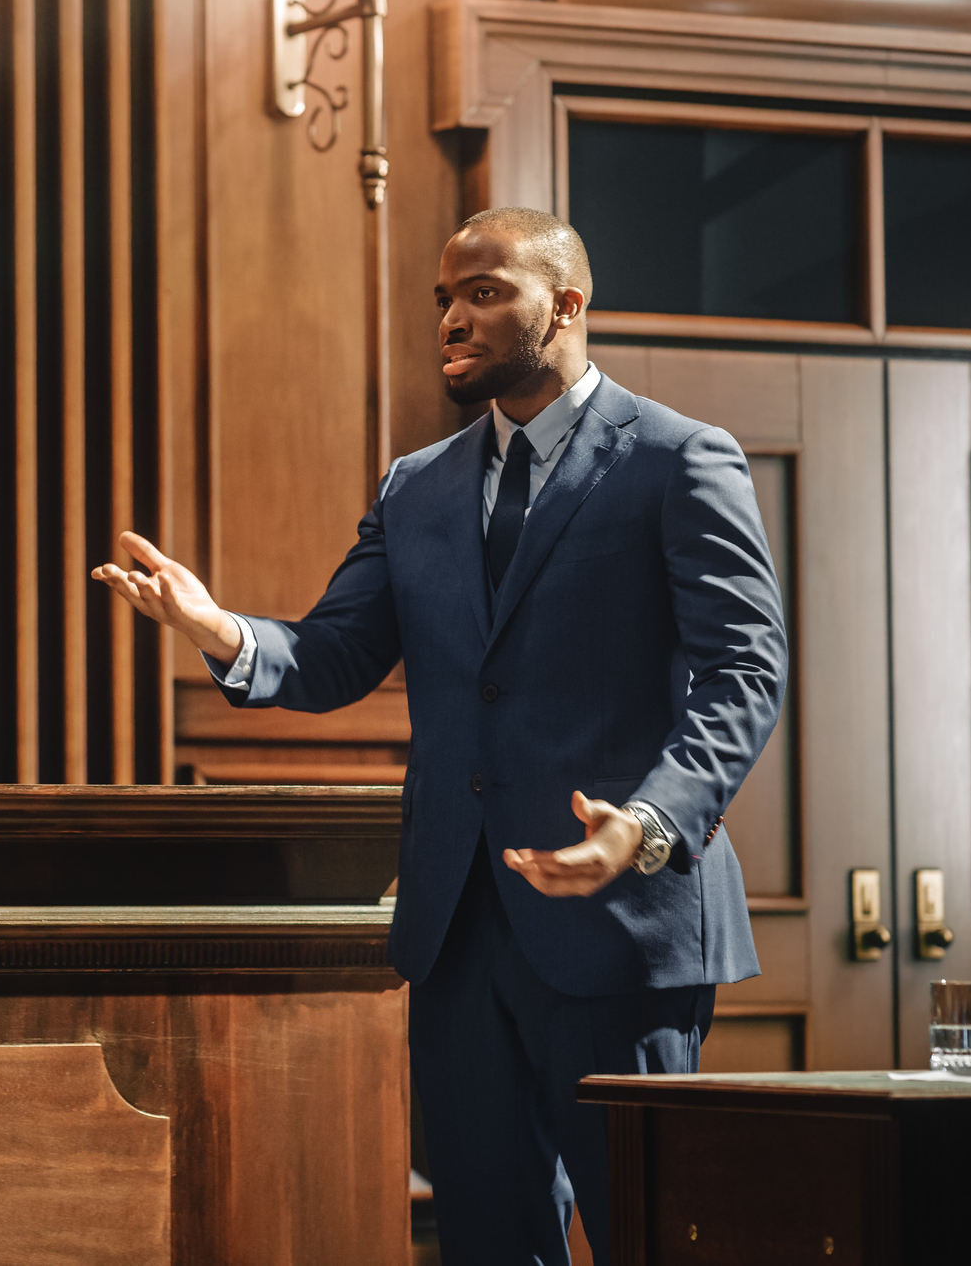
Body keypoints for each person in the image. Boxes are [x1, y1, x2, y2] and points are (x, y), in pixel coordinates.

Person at [92, 208, 786, 1264]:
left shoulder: (679, 461)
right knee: (485, 1242)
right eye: (442, 300)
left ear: (564, 305)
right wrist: (217, 628)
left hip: (619, 923)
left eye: (483, 293)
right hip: (456, 931)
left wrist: (644, 825)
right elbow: (332, 656)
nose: (452, 320)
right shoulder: (415, 486)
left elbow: (745, 672)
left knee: (645, 1232)